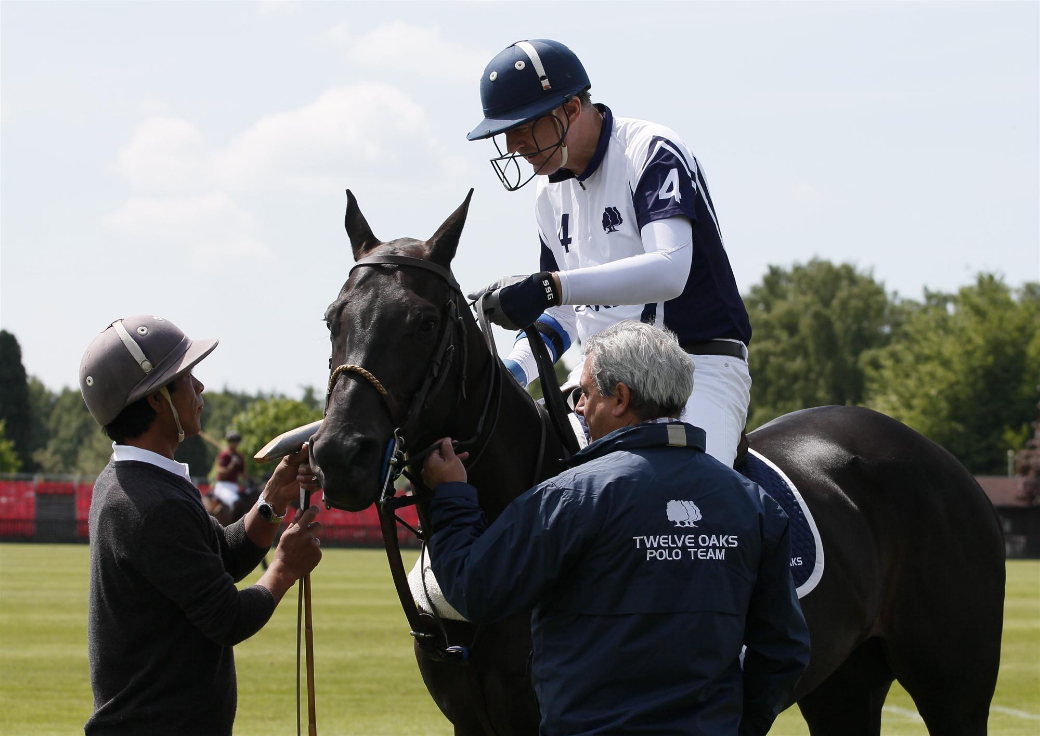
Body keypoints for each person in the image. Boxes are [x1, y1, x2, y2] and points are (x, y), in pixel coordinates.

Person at [422, 321, 809, 736]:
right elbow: (783, 649)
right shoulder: (753, 503)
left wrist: (451, 496)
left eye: (584, 393)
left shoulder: (569, 497)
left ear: (621, 398)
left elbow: (474, 589)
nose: (578, 407)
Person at [467, 38, 753, 466]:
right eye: (505, 132)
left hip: (695, 368)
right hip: (597, 383)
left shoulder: (650, 150)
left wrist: (549, 287)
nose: (513, 145)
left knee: (691, 506)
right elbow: (564, 313)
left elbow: (670, 270)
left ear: (571, 109)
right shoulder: (548, 199)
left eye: (523, 126)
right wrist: (512, 374)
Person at [79, 315, 323, 736]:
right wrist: (284, 566)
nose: (200, 387)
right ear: (158, 399)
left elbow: (219, 557)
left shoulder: (135, 481)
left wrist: (272, 499)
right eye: (187, 376)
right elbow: (227, 617)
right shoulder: (150, 503)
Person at [213, 429, 246, 510]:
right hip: (222, 486)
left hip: (234, 486)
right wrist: (231, 465)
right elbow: (220, 473)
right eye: (232, 441)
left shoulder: (239, 457)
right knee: (235, 502)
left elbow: (244, 475)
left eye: (236, 441)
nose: (235, 443)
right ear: (229, 442)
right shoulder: (224, 455)